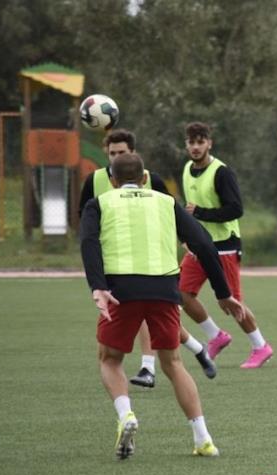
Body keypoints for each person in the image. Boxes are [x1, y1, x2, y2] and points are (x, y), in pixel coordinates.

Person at [80, 152, 245, 459]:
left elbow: (88, 242)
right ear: (145, 178)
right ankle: (202, 438)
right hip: (164, 290)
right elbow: (204, 244)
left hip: (120, 290)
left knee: (110, 359)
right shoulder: (166, 202)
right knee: (173, 363)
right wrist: (223, 293)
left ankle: (126, 414)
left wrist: (98, 287)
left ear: (113, 181)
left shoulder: (99, 203)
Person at [78, 129, 216, 388]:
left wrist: (186, 242)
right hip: (119, 263)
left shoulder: (151, 181)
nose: (116, 156)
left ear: (133, 153)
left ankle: (148, 368)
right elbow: (85, 219)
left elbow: (173, 215)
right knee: (158, 322)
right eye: (112, 153)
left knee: (148, 317)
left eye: (122, 152)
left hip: (153, 262)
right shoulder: (94, 180)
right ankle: (198, 349)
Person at [178, 122, 273, 369]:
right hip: (199, 245)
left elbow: (235, 209)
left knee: (230, 302)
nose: (196, 147)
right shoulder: (187, 169)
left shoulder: (222, 172)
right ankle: (215, 336)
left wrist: (200, 213)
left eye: (201, 142)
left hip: (224, 246)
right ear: (186, 145)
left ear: (209, 143)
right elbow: (189, 210)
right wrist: (188, 236)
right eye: (191, 142)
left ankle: (260, 346)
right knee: (181, 293)